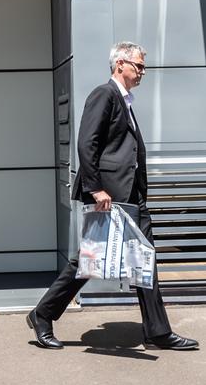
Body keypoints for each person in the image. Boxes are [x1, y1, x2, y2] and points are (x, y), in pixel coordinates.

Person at [27, 41, 199, 351]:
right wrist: (96, 189)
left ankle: (157, 331)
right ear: (120, 64)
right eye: (138, 66)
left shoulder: (126, 100)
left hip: (130, 195)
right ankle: (43, 313)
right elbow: (86, 143)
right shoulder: (104, 94)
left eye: (143, 67)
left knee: (144, 258)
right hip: (111, 195)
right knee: (89, 259)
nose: (142, 72)